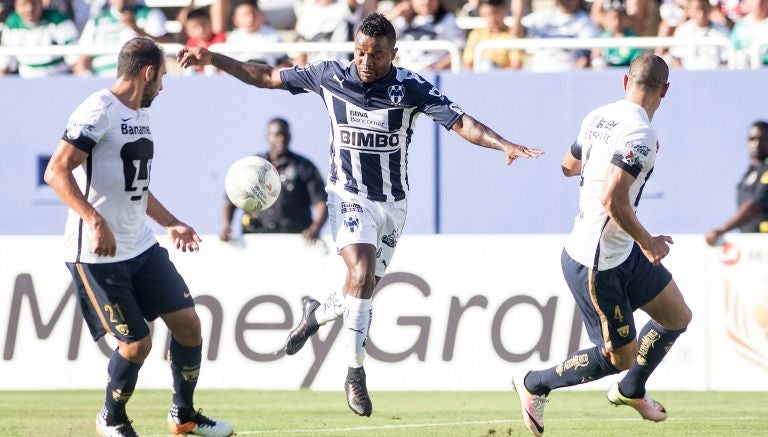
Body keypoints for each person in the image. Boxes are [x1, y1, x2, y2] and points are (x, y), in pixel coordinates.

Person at [177, 12, 542, 418]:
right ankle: (355, 373)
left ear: (394, 53)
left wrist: (504, 144)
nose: (367, 62)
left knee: (362, 288)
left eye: (378, 55)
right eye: (362, 52)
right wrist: (214, 59)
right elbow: (264, 76)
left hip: (394, 204)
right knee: (361, 272)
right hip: (347, 195)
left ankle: (316, 313)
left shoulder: (411, 87)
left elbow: (462, 123)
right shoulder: (329, 76)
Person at [44, 37, 233, 437]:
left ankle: (182, 415)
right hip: (98, 255)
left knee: (189, 325)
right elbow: (56, 172)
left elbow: (136, 188)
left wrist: (171, 222)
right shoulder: (98, 110)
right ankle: (110, 418)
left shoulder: (138, 114)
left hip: (141, 245)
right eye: (161, 77)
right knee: (136, 345)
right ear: (147, 73)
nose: (162, 87)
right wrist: (94, 220)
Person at [512, 54, 692, 437]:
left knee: (676, 315)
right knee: (620, 356)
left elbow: (567, 165)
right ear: (666, 91)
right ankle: (535, 383)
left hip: (621, 249)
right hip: (598, 261)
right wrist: (650, 242)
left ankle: (631, 390)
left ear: (625, 81)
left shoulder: (597, 116)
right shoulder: (642, 134)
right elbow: (612, 199)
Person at [220, 117, 328, 243]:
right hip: (256, 240)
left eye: (285, 134)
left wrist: (316, 228)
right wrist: (226, 226)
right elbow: (231, 200)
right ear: (267, 137)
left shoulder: (304, 166)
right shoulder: (253, 166)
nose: (281, 139)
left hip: (294, 241)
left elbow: (321, 202)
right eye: (277, 135)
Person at [705, 121, 768, 245]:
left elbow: (754, 206)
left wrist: (722, 230)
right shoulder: (749, 173)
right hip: (749, 246)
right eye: (752, 139)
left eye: (762, 138)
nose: (756, 143)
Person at [73, 0, 169, 77]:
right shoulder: (96, 21)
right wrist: (89, 80)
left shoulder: (150, 14)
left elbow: (165, 46)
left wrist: (136, 28)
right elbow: (81, 61)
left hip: (137, 79)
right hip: (100, 78)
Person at [0, 0, 80, 78]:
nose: (29, 9)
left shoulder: (58, 20)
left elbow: (77, 63)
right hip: (25, 81)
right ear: (16, 6)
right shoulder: (11, 24)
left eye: (34, 3)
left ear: (41, 3)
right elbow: (4, 66)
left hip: (59, 79)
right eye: (24, 4)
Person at [462, 0, 525, 71]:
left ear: (504, 11)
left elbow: (516, 65)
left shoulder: (511, 36)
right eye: (488, 14)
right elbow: (467, 64)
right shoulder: (476, 34)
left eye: (496, 13)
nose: (493, 19)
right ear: (482, 14)